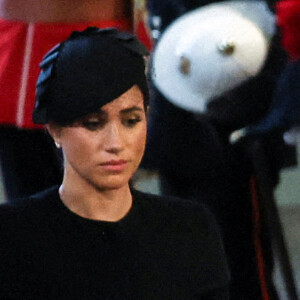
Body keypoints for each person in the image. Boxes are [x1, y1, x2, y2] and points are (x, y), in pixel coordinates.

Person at [0, 27, 229, 299]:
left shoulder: (190, 227)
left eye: (131, 121)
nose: (116, 143)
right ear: (55, 129)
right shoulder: (13, 235)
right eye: (93, 124)